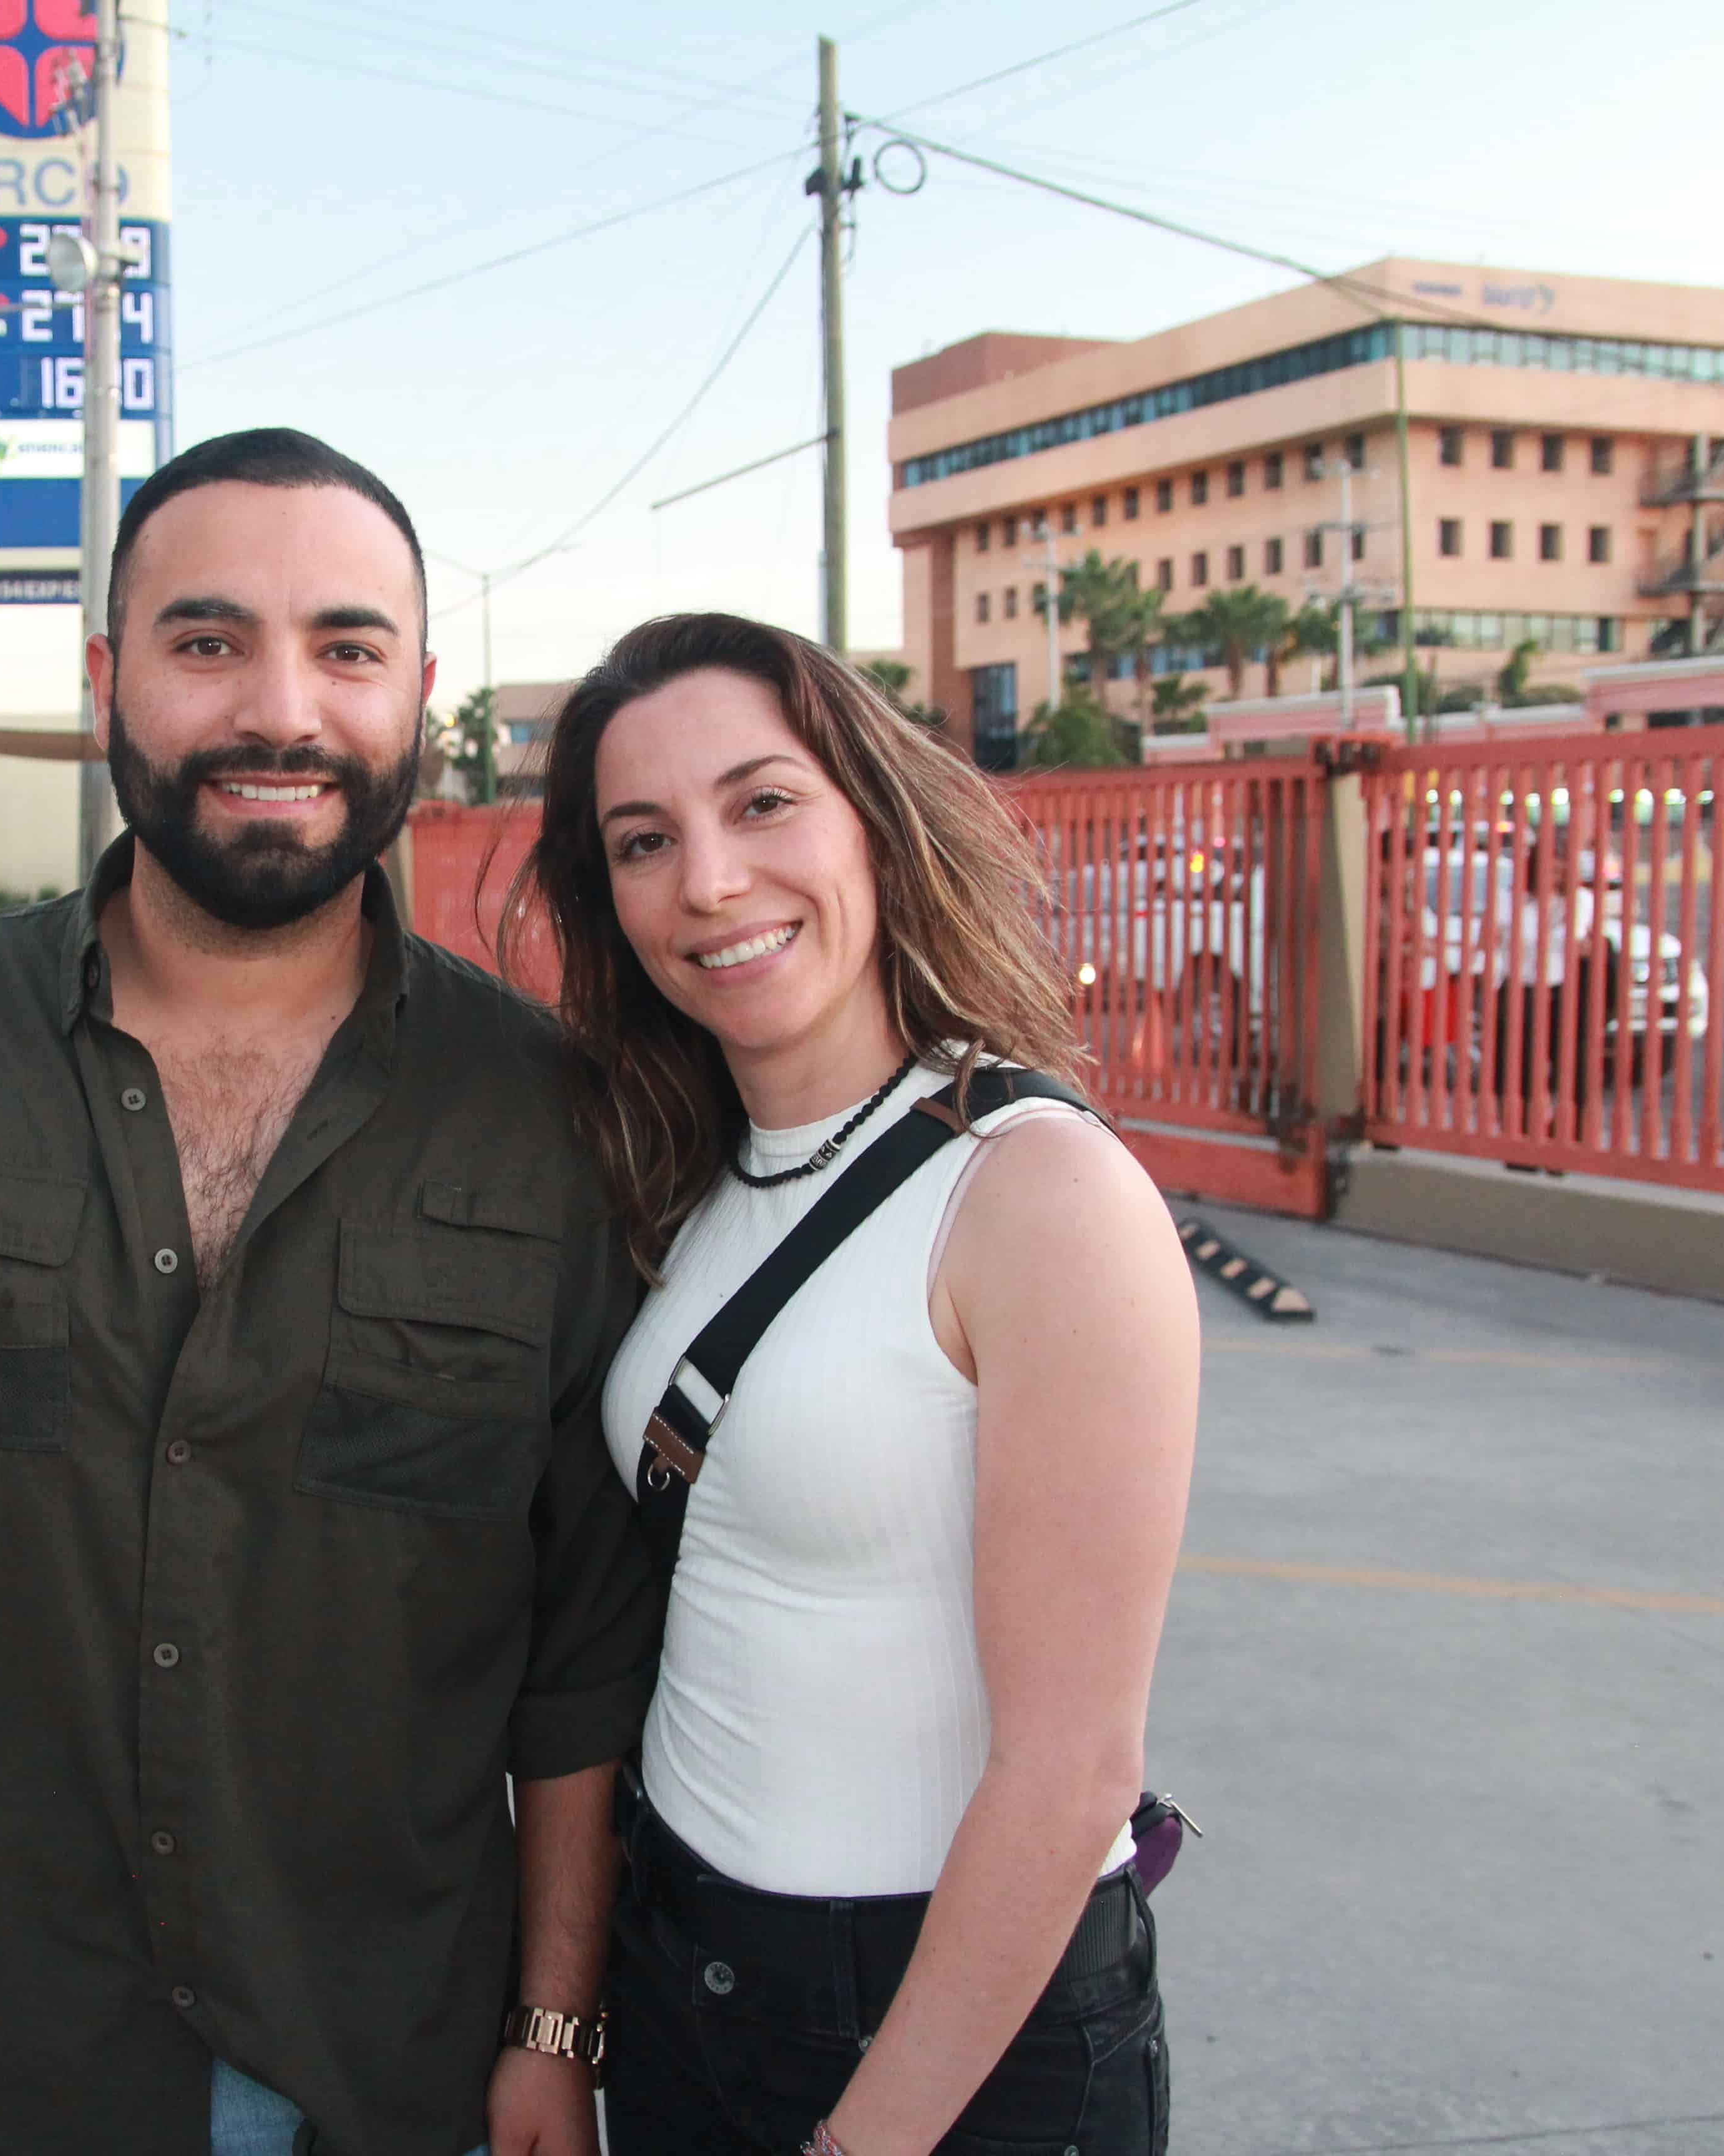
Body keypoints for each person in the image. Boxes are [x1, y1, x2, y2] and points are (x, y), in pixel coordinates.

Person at [0, 429, 663, 2156]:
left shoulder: (550, 1120)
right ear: (108, 679)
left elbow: (584, 1662)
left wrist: (552, 2023)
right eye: (208, 641)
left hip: (391, 2073)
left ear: (421, 697)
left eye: (348, 649)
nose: (280, 711)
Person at [519, 613, 1199, 2156]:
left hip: (944, 2032)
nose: (707, 880)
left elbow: (1073, 1760)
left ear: (873, 823)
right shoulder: (686, 1177)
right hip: (684, 1974)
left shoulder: (1033, 1193)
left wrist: (861, 2137)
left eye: (762, 802)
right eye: (643, 839)